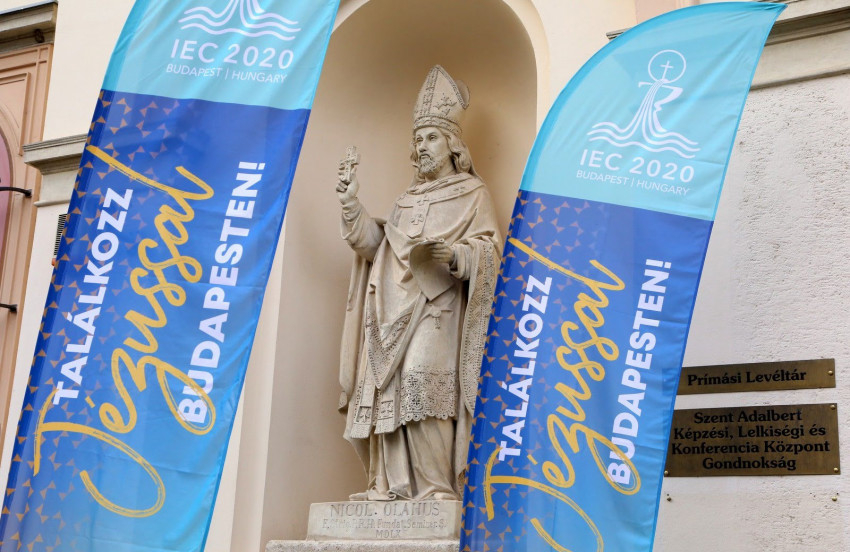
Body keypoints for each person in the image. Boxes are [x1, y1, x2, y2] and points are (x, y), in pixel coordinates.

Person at [336, 65, 501, 501]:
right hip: (390, 310)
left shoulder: (473, 192)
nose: (421, 146)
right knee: (388, 388)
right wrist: (351, 205)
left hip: (438, 309)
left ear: (452, 143)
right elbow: (379, 249)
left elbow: (490, 250)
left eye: (431, 137)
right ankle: (390, 485)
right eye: (418, 139)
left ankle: (436, 488)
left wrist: (457, 256)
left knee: (422, 382)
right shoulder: (405, 200)